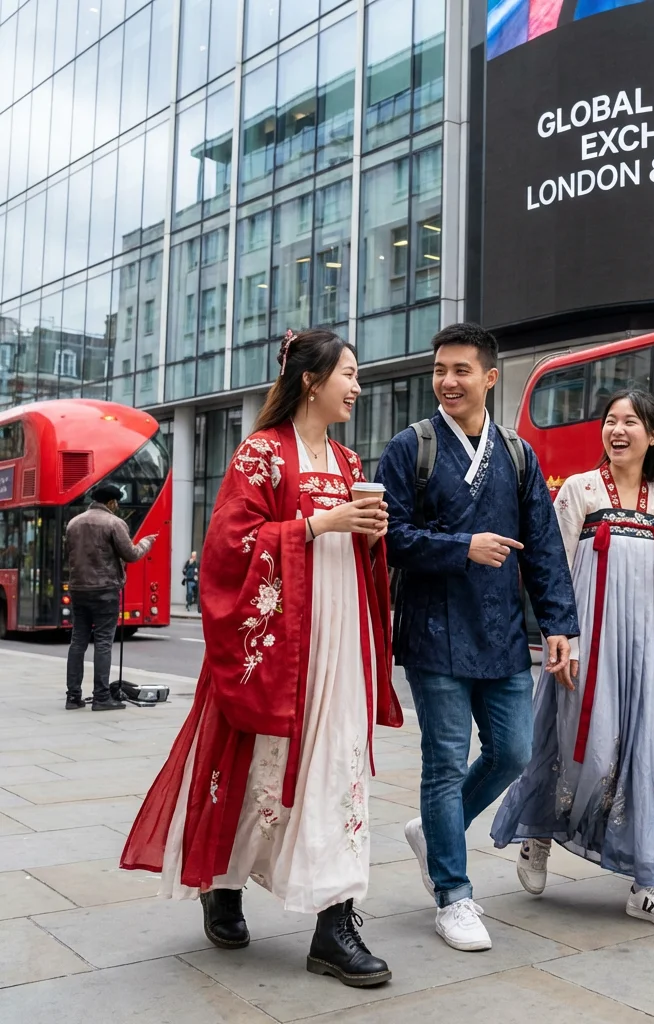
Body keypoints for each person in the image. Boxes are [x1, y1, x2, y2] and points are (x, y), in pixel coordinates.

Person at [120, 329, 404, 989]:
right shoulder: (261, 456)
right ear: (313, 380)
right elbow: (227, 545)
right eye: (350, 375)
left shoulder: (350, 463)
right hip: (281, 639)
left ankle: (335, 922)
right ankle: (223, 882)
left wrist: (370, 535)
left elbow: (358, 554)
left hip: (339, 639)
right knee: (256, 769)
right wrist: (313, 525)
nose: (357, 388)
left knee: (337, 768)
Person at [375, 322, 578, 953]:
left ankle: (435, 831)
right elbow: (391, 537)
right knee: (442, 763)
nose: (448, 381)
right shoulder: (412, 447)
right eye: (440, 369)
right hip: (434, 633)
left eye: (462, 370)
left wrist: (560, 625)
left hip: (502, 634)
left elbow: (544, 547)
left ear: (490, 378)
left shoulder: (518, 454)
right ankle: (453, 895)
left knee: (513, 752)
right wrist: (464, 546)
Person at [491, 389, 654, 929]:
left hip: (649, 645)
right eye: (611, 421)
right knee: (573, 740)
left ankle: (650, 883)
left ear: (653, 436)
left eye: (632, 421)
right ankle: (537, 837)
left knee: (648, 746)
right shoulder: (580, 491)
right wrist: (562, 636)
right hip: (589, 640)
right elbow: (552, 569)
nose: (619, 430)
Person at [64, 482, 156, 711]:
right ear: (112, 502)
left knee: (78, 641)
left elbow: (70, 554)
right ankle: (101, 697)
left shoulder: (73, 523)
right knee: (103, 643)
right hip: (105, 590)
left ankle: (73, 697)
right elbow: (131, 554)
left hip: (78, 589)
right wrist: (146, 542)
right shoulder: (114, 523)